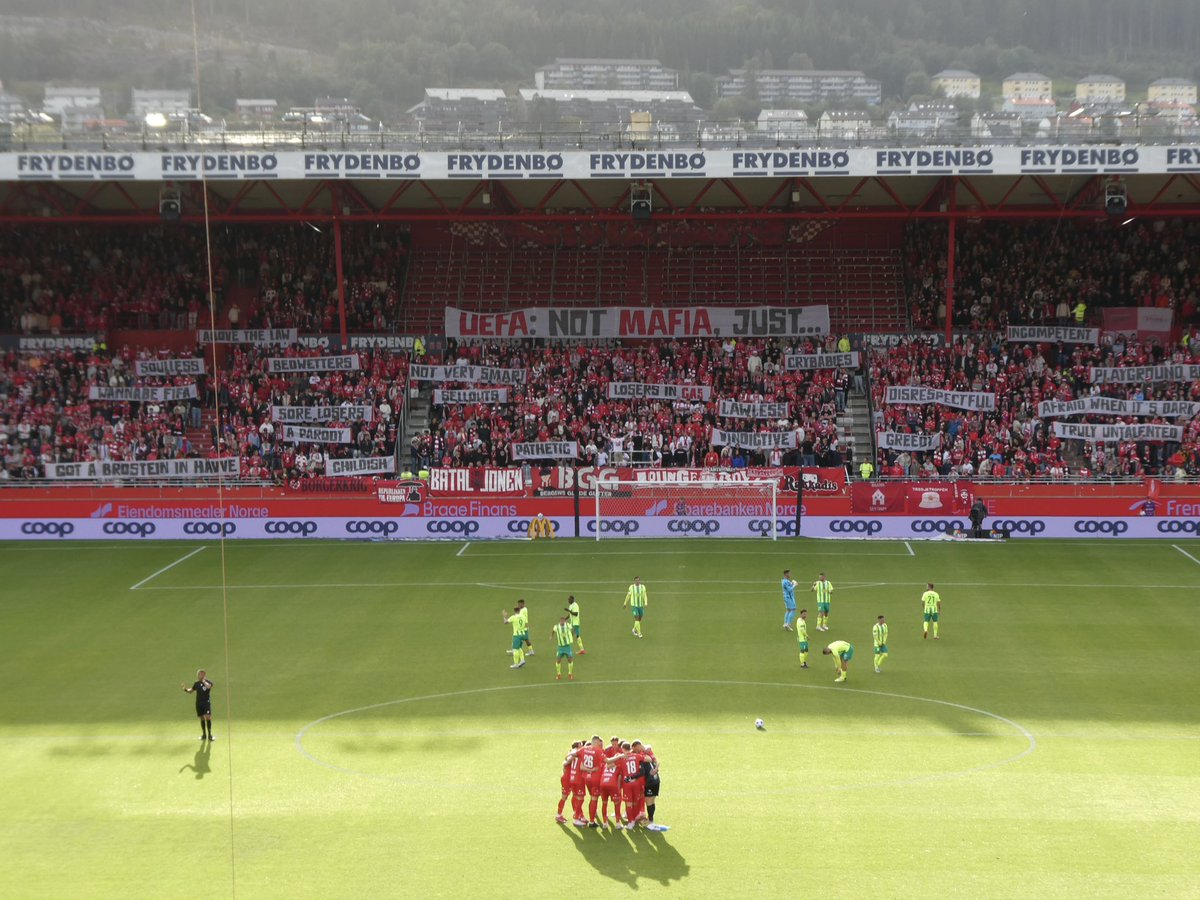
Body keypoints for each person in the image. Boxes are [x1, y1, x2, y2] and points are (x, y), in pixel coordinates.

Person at [181, 669, 214, 740]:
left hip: (206, 703)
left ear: (204, 675)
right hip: (199, 703)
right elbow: (191, 691)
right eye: (199, 674)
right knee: (202, 718)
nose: (200, 676)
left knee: (208, 717)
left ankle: (210, 735)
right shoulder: (196, 684)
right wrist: (185, 689)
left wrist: (204, 681)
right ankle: (204, 735)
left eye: (201, 674)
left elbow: (209, 687)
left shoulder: (208, 682)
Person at [556, 741, 583, 824]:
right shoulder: (573, 752)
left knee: (575, 796)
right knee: (564, 796)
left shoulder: (574, 752)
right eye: (581, 746)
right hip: (567, 779)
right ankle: (558, 815)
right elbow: (566, 761)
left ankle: (576, 814)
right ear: (577, 746)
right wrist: (569, 760)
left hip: (571, 778)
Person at [553, 615, 575, 681]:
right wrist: (552, 636)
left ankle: (570, 674)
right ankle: (559, 674)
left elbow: (572, 629)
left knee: (570, 659)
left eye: (563, 620)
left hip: (567, 646)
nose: (562, 622)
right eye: (561, 620)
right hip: (560, 647)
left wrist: (571, 635)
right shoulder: (556, 627)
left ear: (565, 621)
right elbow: (553, 630)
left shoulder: (568, 625)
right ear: (560, 621)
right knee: (558, 660)